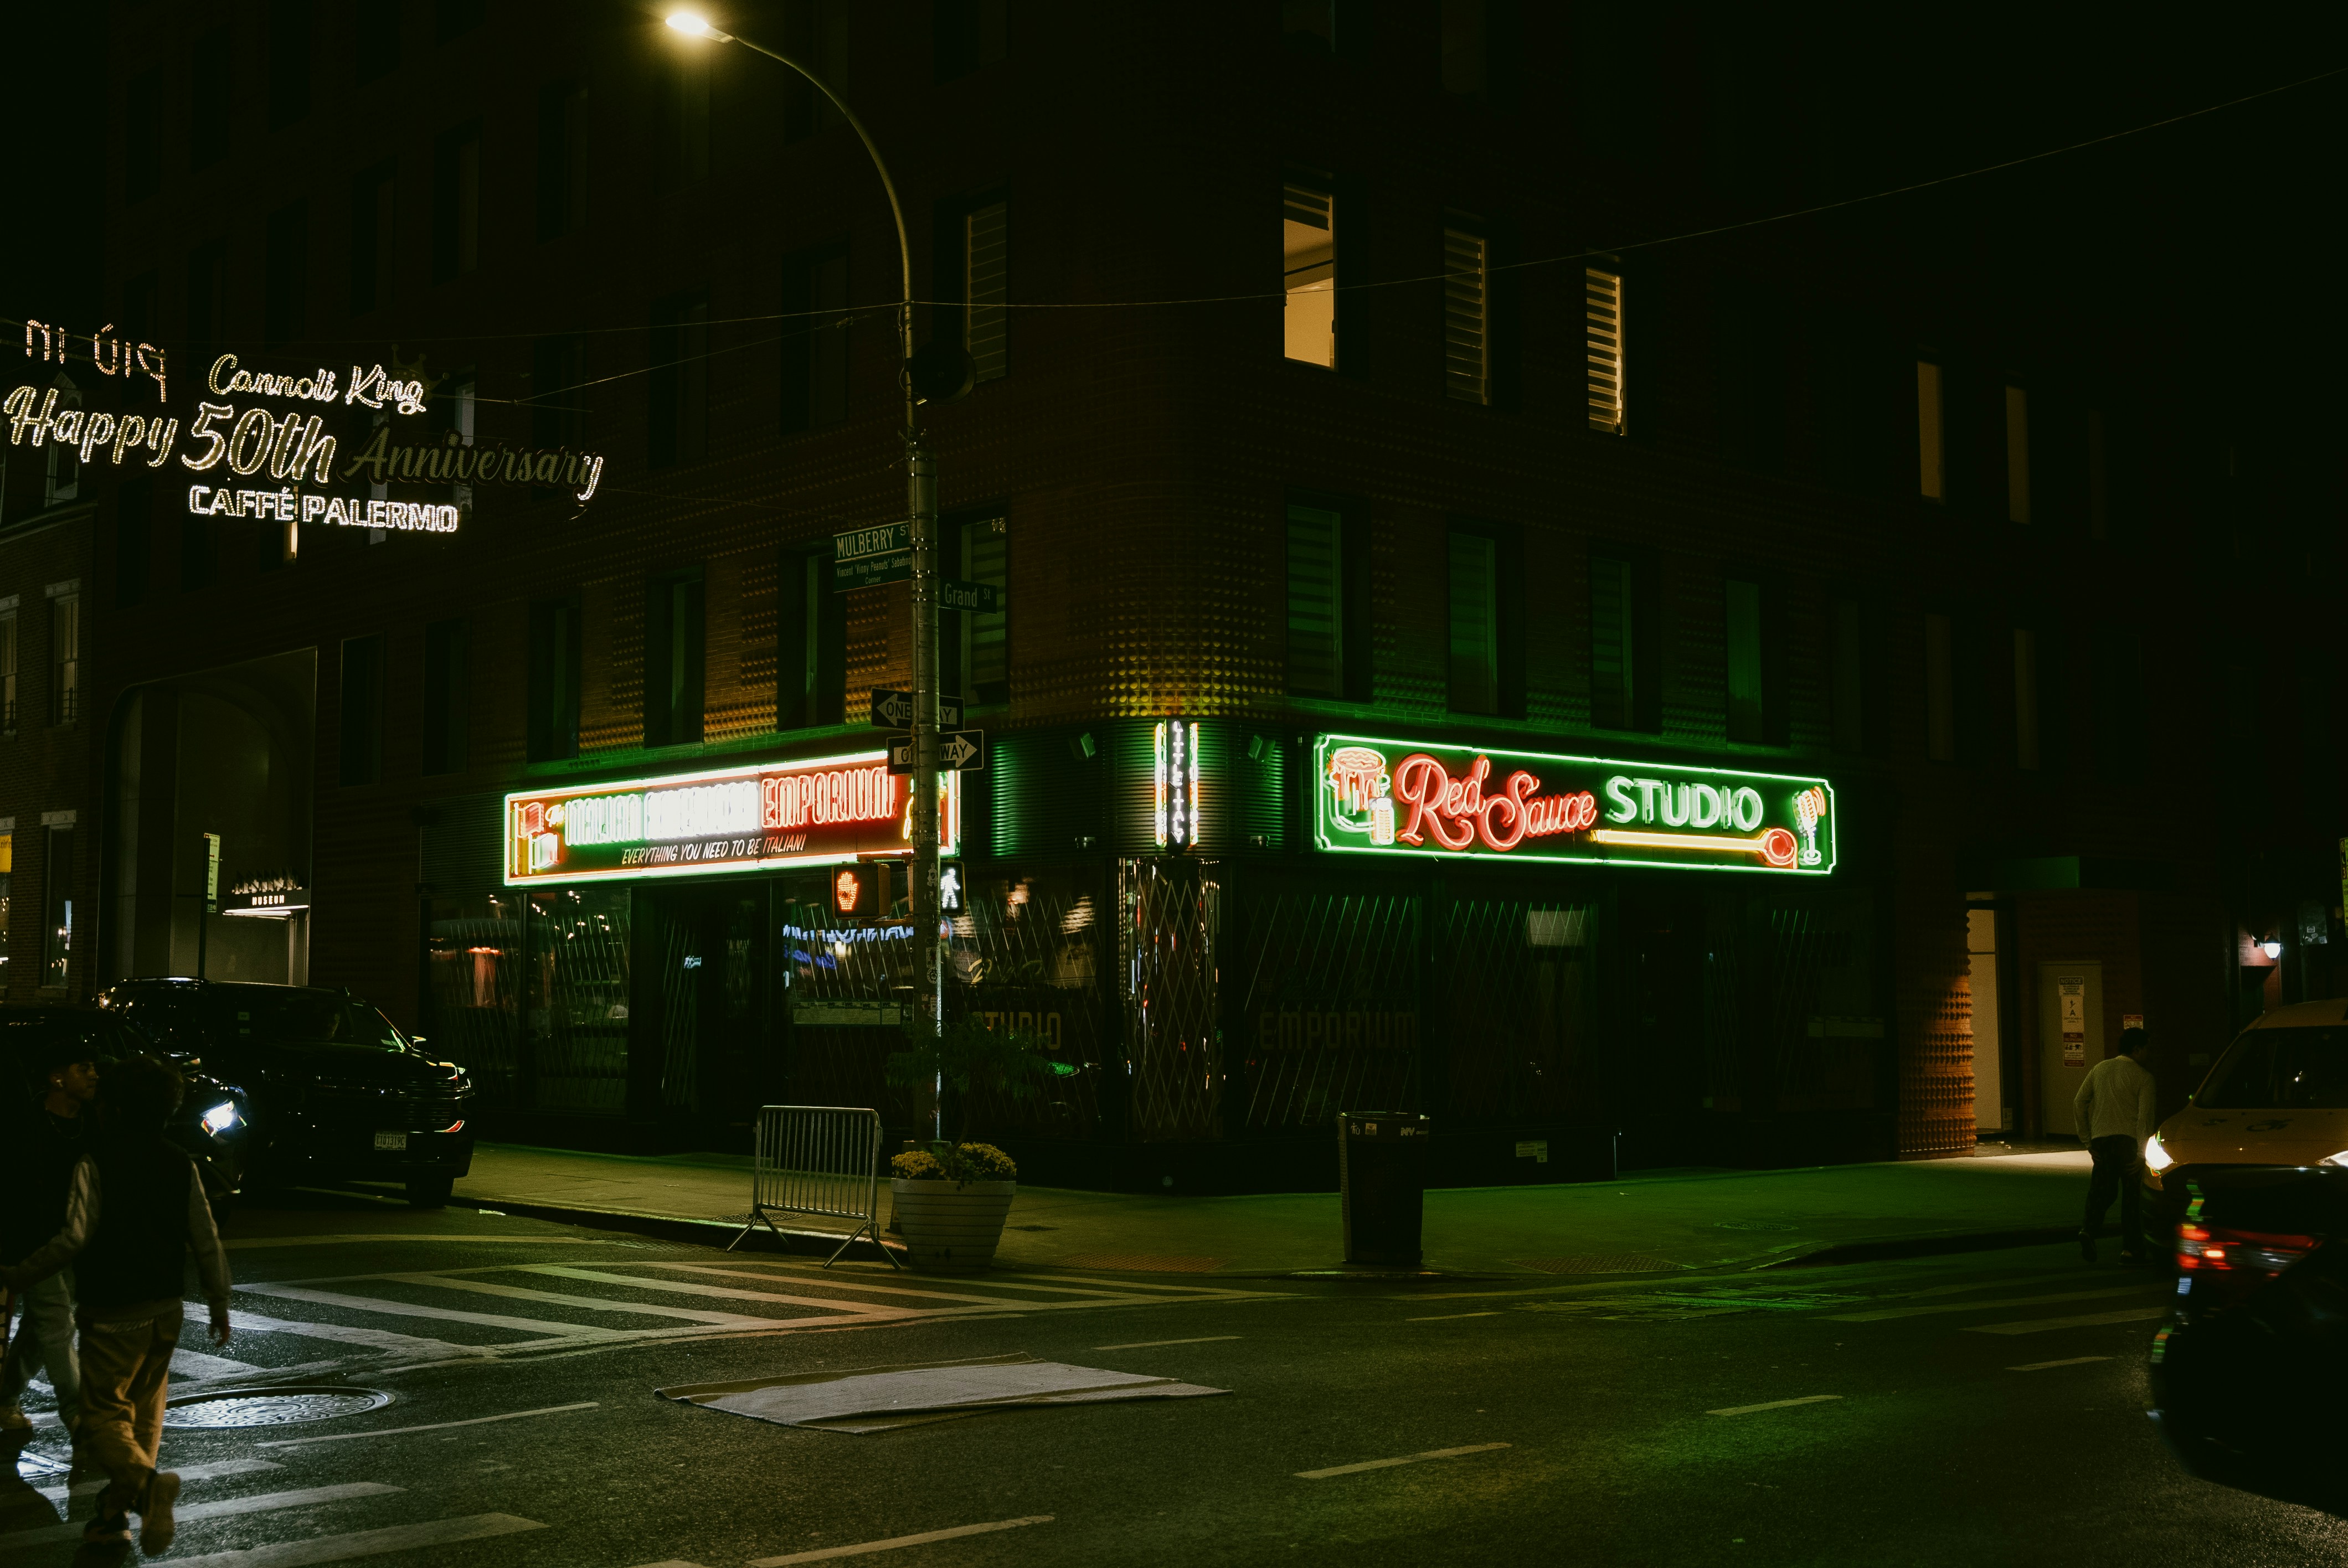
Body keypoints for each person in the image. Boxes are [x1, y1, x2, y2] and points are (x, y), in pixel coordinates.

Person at [4, 1053, 231, 1552]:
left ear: (113, 1108)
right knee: (146, 1415)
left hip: (111, 1310)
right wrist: (219, 1301)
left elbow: (74, 1237)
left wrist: (18, 1275)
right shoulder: (179, 1161)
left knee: (104, 1417)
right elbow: (205, 1236)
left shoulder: (97, 1160)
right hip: (166, 1309)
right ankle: (112, 1517)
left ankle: (147, 1488)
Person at [1, 1033, 99, 1444]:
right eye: (83, 1068)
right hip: (34, 1241)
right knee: (57, 1322)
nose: (94, 1075)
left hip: (74, 1242)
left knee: (40, 1331)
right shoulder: (27, 1124)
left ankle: (5, 1397)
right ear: (57, 1079)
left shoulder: (94, 1124)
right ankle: (77, 1414)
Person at [2074, 1025, 2159, 1265]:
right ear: (2137, 1049)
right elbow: (2144, 1119)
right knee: (2131, 1197)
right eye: (2147, 1048)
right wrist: (2142, 1154)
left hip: (2102, 1140)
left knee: (2102, 1189)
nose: (2149, 1053)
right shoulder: (2144, 1078)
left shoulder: (2100, 1069)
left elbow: (2079, 1102)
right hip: (2128, 1143)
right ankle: (2131, 1250)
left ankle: (2089, 1230)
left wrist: (2087, 1139)